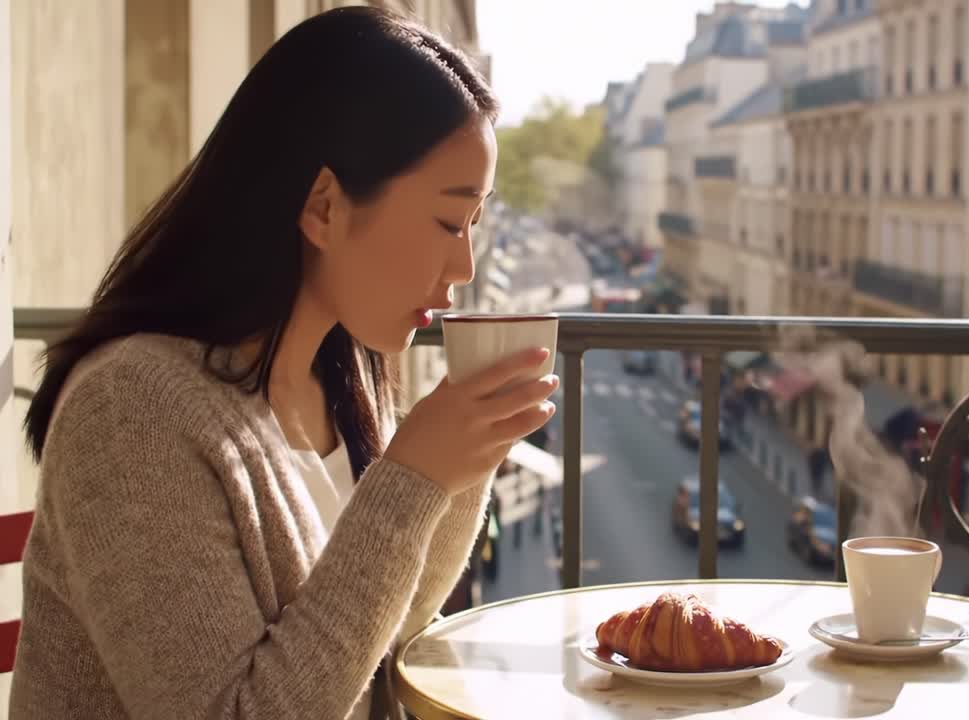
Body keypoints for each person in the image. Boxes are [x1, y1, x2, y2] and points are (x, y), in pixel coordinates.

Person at [10, 8, 558, 719]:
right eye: (449, 221)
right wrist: (412, 480)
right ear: (324, 206)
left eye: (476, 224)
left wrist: (463, 462)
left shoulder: (337, 379)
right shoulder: (131, 413)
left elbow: (375, 643)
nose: (464, 266)